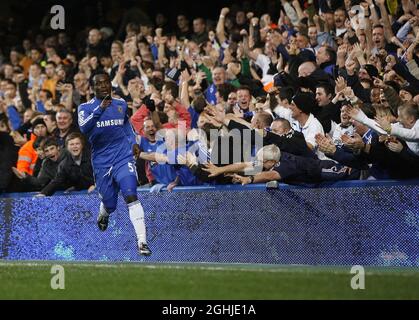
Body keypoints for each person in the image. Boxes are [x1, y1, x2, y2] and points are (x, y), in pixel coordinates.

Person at [77, 72, 151, 256]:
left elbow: (126, 124)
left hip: (122, 157)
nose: (103, 86)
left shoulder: (120, 104)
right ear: (92, 88)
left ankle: (142, 241)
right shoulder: (85, 108)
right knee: (110, 203)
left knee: (131, 193)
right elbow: (84, 128)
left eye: (106, 83)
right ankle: (104, 211)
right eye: (98, 84)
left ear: (110, 85)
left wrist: (133, 141)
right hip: (102, 161)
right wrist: (100, 109)